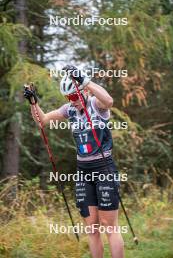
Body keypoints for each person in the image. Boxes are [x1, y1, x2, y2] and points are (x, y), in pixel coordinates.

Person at [24, 65, 124, 258]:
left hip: (103, 169)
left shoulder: (96, 105)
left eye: (74, 96)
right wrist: (33, 102)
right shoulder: (69, 110)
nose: (72, 101)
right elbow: (42, 121)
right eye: (68, 98)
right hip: (83, 172)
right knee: (92, 229)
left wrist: (84, 80)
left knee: (109, 226)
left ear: (84, 91)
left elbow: (109, 101)